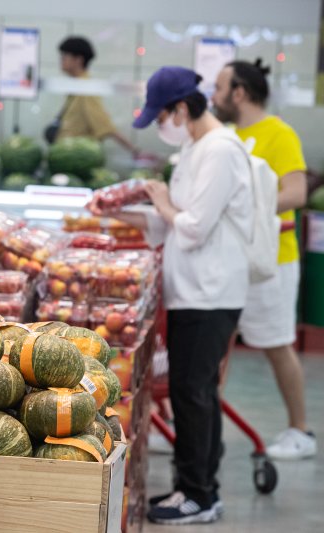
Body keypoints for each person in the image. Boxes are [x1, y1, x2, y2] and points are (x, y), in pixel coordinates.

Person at [89, 66, 254, 525]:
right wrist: (122, 212)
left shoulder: (219, 151)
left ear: (180, 109)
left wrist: (158, 198)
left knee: (192, 392)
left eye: (161, 116)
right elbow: (170, 221)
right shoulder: (195, 148)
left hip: (211, 292)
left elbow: (195, 227)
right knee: (193, 391)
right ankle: (198, 487)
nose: (160, 127)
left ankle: (198, 494)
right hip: (192, 292)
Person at [212, 59, 315, 460]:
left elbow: (296, 193)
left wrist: (247, 205)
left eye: (220, 88)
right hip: (228, 260)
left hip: (272, 262)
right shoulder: (224, 135)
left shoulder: (279, 134)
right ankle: (206, 431)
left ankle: (300, 431)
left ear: (239, 92)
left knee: (275, 344)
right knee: (216, 347)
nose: (214, 97)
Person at [48, 36, 142, 158]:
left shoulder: (86, 89)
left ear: (78, 60)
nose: (61, 60)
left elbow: (105, 125)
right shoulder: (76, 86)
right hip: (67, 154)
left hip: (77, 157)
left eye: (65, 56)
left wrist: (135, 151)